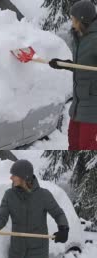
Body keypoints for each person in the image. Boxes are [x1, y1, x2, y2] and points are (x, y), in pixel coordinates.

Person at [49, 0, 97, 150]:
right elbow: (82, 66)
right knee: (73, 142)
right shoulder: (80, 37)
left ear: (82, 19)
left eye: (73, 18)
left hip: (92, 102)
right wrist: (63, 63)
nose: (71, 21)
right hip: (79, 101)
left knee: (86, 145)